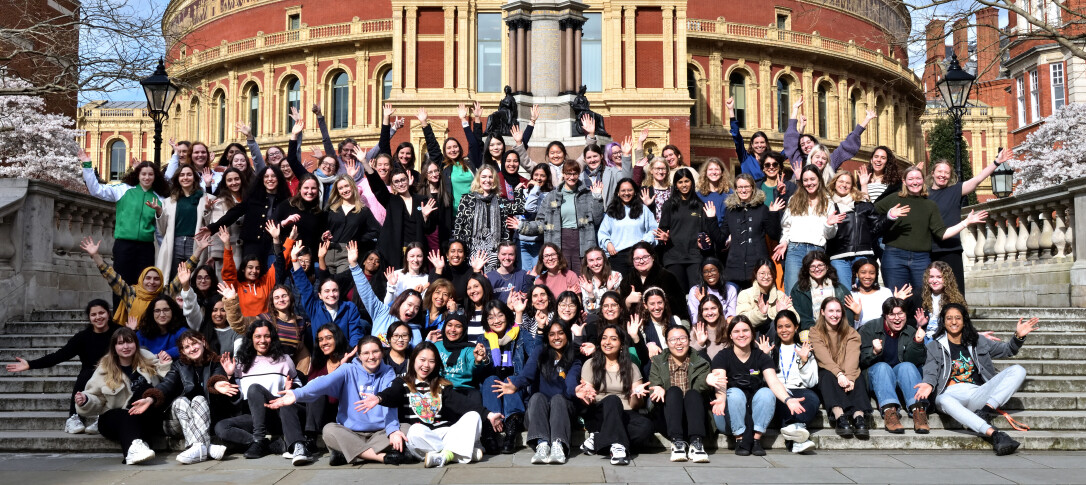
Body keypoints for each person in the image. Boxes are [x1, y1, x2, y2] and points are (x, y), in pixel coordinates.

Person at [268, 335, 411, 465]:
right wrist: (296, 394)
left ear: (382, 353)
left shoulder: (388, 372)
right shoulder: (348, 369)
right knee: (329, 430)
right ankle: (380, 457)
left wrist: (392, 430)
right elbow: (324, 382)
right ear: (359, 356)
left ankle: (350, 454)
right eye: (366, 353)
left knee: (405, 429)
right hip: (351, 433)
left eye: (375, 352)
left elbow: (391, 400)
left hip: (380, 432)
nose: (371, 357)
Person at [915, 303, 1037, 455]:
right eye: (949, 318)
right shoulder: (934, 346)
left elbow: (1008, 350)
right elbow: (931, 370)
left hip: (977, 393)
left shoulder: (978, 341)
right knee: (943, 400)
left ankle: (985, 411)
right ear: (944, 322)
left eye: (958, 318)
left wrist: (1018, 336)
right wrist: (928, 383)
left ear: (964, 320)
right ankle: (995, 434)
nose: (954, 322)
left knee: (1018, 370)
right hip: (949, 393)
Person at [359, 342, 500, 468]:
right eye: (422, 360)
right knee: (414, 431)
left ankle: (446, 455)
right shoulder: (401, 383)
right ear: (413, 360)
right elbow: (392, 393)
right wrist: (379, 398)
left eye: (431, 361)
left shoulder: (442, 385)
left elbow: (462, 403)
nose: (426, 365)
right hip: (423, 437)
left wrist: (489, 414)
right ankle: (461, 452)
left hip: (443, 432)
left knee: (473, 416)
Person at [6, 299, 120, 434]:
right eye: (93, 314)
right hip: (89, 378)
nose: (98, 317)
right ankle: (74, 417)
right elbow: (59, 356)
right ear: (89, 318)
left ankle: (104, 417)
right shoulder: (82, 337)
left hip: (114, 376)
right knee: (87, 373)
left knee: (110, 373)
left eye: (102, 313)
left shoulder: (118, 332)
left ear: (108, 313)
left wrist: (133, 330)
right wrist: (30, 364)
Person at [874, 165, 987, 292]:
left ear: (923, 181)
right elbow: (869, 213)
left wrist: (966, 222)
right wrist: (889, 216)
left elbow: (941, 233)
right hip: (894, 256)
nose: (915, 182)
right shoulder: (894, 198)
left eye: (918, 178)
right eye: (910, 179)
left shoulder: (930, 205)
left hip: (921, 259)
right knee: (897, 298)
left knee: (923, 299)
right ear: (904, 181)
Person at [707, 316, 807, 456]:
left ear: (752, 334)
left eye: (745, 330)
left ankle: (755, 440)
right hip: (727, 415)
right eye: (736, 331)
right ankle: (740, 439)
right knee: (734, 393)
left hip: (754, 415)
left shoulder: (761, 357)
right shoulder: (722, 357)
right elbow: (720, 383)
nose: (741, 334)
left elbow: (773, 382)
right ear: (730, 335)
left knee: (766, 393)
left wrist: (788, 399)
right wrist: (721, 399)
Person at [215, 320, 310, 464]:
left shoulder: (284, 359)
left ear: (272, 337)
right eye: (258, 336)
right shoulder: (241, 363)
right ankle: (268, 445)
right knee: (221, 427)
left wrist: (291, 388)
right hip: (255, 416)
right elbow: (238, 397)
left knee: (254, 388)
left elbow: (298, 386)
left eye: (267, 336)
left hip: (278, 414)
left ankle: (259, 440)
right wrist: (230, 376)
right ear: (251, 339)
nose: (262, 340)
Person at [74, 327, 171, 465]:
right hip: (114, 419)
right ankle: (137, 446)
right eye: (120, 343)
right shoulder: (105, 369)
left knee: (145, 389)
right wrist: (85, 400)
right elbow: (95, 397)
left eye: (129, 342)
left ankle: (134, 449)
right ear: (114, 347)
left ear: (136, 344)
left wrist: (164, 364)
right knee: (124, 415)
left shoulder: (148, 358)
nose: (125, 346)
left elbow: (168, 384)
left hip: (146, 417)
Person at [493, 320, 581, 465]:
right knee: (537, 397)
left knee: (559, 399)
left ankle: (558, 446)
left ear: (567, 335)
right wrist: (516, 385)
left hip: (562, 415)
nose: (556, 337)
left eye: (560, 333)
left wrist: (576, 390)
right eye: (552, 334)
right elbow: (528, 372)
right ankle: (542, 444)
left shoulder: (574, 359)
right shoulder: (541, 352)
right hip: (537, 412)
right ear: (547, 337)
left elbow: (571, 382)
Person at [80, 154, 169, 293]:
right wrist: (87, 166)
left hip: (146, 248)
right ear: (137, 175)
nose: (147, 177)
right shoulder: (123, 189)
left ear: (155, 176)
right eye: (143, 174)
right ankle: (119, 314)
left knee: (145, 287)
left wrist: (166, 248)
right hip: (124, 245)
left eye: (150, 174)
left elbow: (161, 229)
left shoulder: (160, 198)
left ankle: (140, 315)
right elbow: (96, 190)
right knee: (120, 285)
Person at [927, 150, 1014, 291]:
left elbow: (978, 179)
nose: (943, 175)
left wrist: (997, 162)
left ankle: (958, 314)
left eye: (946, 173)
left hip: (951, 249)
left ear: (950, 176)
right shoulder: (925, 194)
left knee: (955, 290)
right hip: (928, 250)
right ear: (932, 173)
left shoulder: (955, 190)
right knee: (930, 291)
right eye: (940, 171)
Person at [154, 330, 235, 464]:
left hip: (207, 419)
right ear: (183, 351)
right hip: (178, 421)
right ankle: (206, 447)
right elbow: (167, 384)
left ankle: (196, 447)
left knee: (199, 399)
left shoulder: (215, 362)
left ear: (203, 342)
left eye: (194, 343)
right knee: (181, 401)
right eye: (187, 347)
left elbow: (217, 377)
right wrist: (151, 397)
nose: (192, 349)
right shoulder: (178, 366)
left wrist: (220, 382)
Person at [577, 325, 653, 466]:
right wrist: (585, 395)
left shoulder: (631, 367)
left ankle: (599, 440)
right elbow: (587, 399)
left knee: (646, 427)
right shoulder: (590, 364)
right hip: (600, 414)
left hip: (625, 413)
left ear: (622, 344)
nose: (607, 342)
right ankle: (618, 446)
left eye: (613, 339)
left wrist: (636, 395)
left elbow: (636, 405)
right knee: (612, 400)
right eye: (604, 338)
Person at [514, 160, 603, 273]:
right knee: (561, 276)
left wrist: (597, 198)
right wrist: (523, 226)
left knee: (582, 276)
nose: (571, 177)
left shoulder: (586, 194)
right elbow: (542, 223)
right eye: (568, 173)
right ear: (563, 174)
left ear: (579, 174)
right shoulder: (552, 196)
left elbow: (597, 219)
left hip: (583, 240)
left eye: (574, 173)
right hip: (559, 240)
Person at [637, 325, 711, 463]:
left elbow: (702, 391)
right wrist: (657, 388)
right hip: (668, 418)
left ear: (689, 340)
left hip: (694, 419)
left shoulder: (702, 363)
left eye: (682, 338)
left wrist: (707, 381)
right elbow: (654, 385)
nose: (678, 343)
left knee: (692, 394)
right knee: (673, 391)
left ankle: (696, 444)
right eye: (673, 339)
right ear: (667, 342)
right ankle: (677, 443)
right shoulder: (658, 362)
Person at [859, 298, 929, 434]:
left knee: (907, 366)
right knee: (882, 366)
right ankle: (890, 412)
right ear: (885, 315)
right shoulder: (869, 328)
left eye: (901, 314)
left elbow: (915, 362)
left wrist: (917, 343)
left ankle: (918, 411)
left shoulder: (910, 331)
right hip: (877, 377)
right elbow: (859, 360)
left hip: (901, 377)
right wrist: (873, 352)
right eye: (892, 314)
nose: (897, 318)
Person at [755, 311, 819, 453]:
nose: (784, 330)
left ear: (796, 327)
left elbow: (812, 382)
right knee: (782, 401)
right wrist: (764, 357)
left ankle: (795, 435)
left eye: (788, 326)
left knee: (813, 399)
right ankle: (798, 437)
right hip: (779, 391)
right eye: (780, 327)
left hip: (801, 390)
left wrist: (804, 361)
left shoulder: (804, 348)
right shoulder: (770, 348)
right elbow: (762, 380)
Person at [774, 164, 844, 294]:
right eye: (805, 180)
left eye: (812, 179)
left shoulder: (828, 202)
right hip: (795, 249)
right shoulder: (794, 199)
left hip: (817, 250)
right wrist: (784, 242)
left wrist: (829, 224)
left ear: (819, 180)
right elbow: (786, 226)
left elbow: (830, 235)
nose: (809, 183)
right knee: (792, 291)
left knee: (816, 291)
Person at [198, 165, 291, 260]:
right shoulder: (253, 198)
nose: (270, 179)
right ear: (262, 179)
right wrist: (212, 228)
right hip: (252, 246)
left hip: (275, 246)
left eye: (273, 176)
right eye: (266, 176)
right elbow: (233, 213)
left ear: (279, 178)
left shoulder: (286, 201)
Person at [809, 297, 872, 438]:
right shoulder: (815, 332)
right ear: (823, 312)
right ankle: (840, 417)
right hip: (829, 371)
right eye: (830, 310)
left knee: (858, 377)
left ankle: (859, 417)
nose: (835, 314)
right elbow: (823, 357)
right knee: (826, 376)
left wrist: (849, 377)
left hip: (848, 371)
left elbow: (852, 355)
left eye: (838, 311)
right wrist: (839, 374)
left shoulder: (851, 332)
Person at [221, 282, 312, 373]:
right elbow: (239, 325)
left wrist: (300, 375)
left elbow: (300, 352)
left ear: (290, 298)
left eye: (284, 296)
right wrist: (231, 300)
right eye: (276, 297)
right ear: (272, 302)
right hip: (265, 370)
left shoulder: (300, 323)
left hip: (287, 372)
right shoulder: (264, 319)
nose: (281, 299)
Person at [348, 240, 425, 345]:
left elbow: (417, 356)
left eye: (417, 308)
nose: (412, 310)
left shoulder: (415, 332)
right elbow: (366, 292)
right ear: (400, 302)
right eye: (409, 304)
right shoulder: (382, 313)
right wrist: (354, 265)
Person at [656, 168, 722, 290]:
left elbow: (706, 231)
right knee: (677, 294)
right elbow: (662, 230)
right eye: (680, 182)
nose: (684, 185)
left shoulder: (700, 205)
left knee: (696, 292)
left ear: (692, 182)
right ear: (675, 185)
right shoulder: (669, 205)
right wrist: (665, 237)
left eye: (687, 181)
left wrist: (705, 240)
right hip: (673, 256)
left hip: (695, 256)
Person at [293, 241, 368, 347]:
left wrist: (350, 356)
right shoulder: (314, 308)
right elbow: (304, 287)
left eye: (334, 290)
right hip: (321, 357)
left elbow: (355, 334)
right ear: (320, 295)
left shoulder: (349, 308)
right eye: (326, 291)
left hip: (345, 357)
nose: (331, 294)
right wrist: (294, 260)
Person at [783, 97, 875, 183]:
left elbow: (847, 146)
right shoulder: (799, 161)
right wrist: (795, 110)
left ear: (815, 143)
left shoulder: (830, 159)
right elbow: (791, 140)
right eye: (802, 145)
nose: (806, 146)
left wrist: (866, 120)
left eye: (808, 142)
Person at [478, 298, 527, 453]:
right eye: (491, 317)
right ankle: (492, 429)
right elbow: (482, 372)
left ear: (507, 315)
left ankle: (511, 430)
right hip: (493, 388)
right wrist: (484, 359)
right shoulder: (482, 339)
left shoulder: (519, 335)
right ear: (486, 321)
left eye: (500, 315)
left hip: (515, 386)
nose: (496, 320)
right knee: (490, 379)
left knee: (510, 379)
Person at [721, 174, 784, 289]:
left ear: (753, 188)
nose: (743, 190)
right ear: (735, 189)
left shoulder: (762, 209)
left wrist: (773, 214)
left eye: (747, 186)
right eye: (740, 187)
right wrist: (710, 220)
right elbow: (721, 237)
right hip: (734, 267)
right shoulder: (730, 211)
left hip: (757, 266)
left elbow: (774, 235)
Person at [826, 169, 882, 284]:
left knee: (863, 291)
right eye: (841, 181)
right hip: (839, 256)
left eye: (847, 183)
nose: (844, 185)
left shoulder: (860, 203)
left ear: (852, 186)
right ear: (835, 183)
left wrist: (890, 216)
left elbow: (876, 225)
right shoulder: (828, 204)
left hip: (862, 254)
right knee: (845, 293)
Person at [155, 164, 208, 277]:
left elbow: (210, 225)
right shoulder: (168, 202)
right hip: (175, 243)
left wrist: (208, 210)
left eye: (189, 174)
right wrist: (159, 211)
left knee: (194, 277)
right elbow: (162, 230)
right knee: (175, 278)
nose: (185, 178)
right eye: (182, 175)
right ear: (177, 179)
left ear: (194, 178)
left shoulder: (206, 199)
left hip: (195, 242)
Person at [598, 178, 658, 277]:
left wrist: (645, 241)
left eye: (630, 190)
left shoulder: (643, 209)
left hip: (639, 256)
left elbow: (653, 229)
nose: (626, 193)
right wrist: (608, 243)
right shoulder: (612, 211)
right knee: (620, 288)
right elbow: (602, 232)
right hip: (618, 256)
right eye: (623, 190)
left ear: (635, 192)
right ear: (618, 192)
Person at [324, 173, 381, 274]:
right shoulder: (331, 209)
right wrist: (323, 236)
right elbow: (322, 229)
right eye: (340, 188)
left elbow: (377, 230)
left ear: (352, 186)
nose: (344, 190)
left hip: (348, 253)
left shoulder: (363, 211)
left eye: (346, 186)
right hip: (328, 251)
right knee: (327, 284)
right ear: (337, 191)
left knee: (342, 283)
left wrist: (358, 238)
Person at [217, 225, 277, 318]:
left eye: (257, 268)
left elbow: (279, 264)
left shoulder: (265, 283)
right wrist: (227, 245)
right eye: (250, 267)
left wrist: (284, 240)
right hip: (243, 329)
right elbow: (229, 273)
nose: (254, 271)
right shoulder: (236, 287)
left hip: (264, 328)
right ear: (243, 269)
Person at [790, 250, 855, 330]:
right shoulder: (798, 289)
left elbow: (848, 315)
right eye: (812, 266)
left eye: (820, 265)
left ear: (827, 267)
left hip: (837, 331)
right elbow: (800, 315)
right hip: (811, 331)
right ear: (807, 269)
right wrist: (816, 330)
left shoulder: (840, 289)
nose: (817, 269)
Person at [621, 242, 686, 317]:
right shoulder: (627, 281)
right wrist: (627, 301)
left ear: (653, 257)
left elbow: (679, 306)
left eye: (645, 257)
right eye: (637, 258)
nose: (641, 261)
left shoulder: (667, 277)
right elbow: (621, 312)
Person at [736, 260, 795, 336]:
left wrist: (782, 313)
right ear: (755, 274)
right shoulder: (745, 294)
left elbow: (796, 318)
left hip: (776, 337)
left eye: (770, 273)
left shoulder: (780, 295)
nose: (766, 277)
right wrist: (760, 313)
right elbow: (741, 320)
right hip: (753, 337)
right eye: (762, 273)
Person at [913, 261, 968, 342]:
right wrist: (919, 325)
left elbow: (963, 323)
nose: (934, 281)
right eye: (931, 277)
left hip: (944, 338)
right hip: (923, 337)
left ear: (946, 279)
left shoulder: (955, 299)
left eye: (939, 277)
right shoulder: (919, 295)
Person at [518, 164, 554, 271]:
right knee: (525, 274)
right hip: (522, 240)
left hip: (538, 240)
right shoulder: (524, 191)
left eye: (542, 176)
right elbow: (524, 209)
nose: (538, 178)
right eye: (536, 175)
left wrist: (536, 188)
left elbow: (531, 208)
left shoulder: (549, 195)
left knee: (539, 274)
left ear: (547, 177)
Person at [136, 294, 192, 360]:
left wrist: (164, 354)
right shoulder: (142, 333)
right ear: (152, 313)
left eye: (166, 310)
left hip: (174, 368)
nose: (162, 315)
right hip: (147, 368)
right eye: (157, 311)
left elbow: (188, 346)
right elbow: (134, 352)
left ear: (172, 311)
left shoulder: (181, 331)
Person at [727, 96, 770, 181]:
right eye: (756, 143)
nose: (759, 145)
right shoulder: (745, 158)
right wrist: (731, 110)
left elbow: (788, 150)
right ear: (752, 145)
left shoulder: (772, 160)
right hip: (750, 192)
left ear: (766, 144)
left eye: (762, 142)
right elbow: (737, 137)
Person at [687, 258, 736, 324]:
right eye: (705, 272)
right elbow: (695, 320)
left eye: (713, 270)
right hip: (703, 327)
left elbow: (731, 317)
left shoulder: (730, 289)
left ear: (719, 272)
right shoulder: (695, 291)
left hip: (723, 327)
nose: (709, 274)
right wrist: (703, 303)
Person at [579, 247, 622, 313]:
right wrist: (590, 294)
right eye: (591, 260)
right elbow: (589, 311)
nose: (595, 263)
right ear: (587, 264)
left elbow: (617, 306)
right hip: (594, 318)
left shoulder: (615, 276)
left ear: (604, 260)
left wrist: (610, 290)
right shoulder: (585, 281)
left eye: (598, 259)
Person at [695, 157, 732, 227]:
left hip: (724, 234)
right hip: (705, 234)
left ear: (722, 173)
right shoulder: (699, 195)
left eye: (717, 169)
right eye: (710, 169)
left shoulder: (729, 193)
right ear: (705, 173)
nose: (714, 172)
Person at [689, 295, 727, 361]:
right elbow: (689, 356)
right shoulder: (696, 330)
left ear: (719, 309)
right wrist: (699, 344)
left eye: (713, 308)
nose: (710, 313)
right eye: (706, 309)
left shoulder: (728, 328)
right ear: (701, 312)